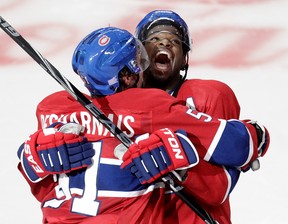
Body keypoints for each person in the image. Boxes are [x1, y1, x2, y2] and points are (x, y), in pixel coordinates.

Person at [17, 27, 269, 224]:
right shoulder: (149, 105)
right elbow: (238, 145)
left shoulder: (53, 109)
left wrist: (30, 155)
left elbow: (43, 185)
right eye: (139, 56)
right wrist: (257, 134)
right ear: (127, 74)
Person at [134, 9, 250, 223]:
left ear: (185, 59)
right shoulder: (120, 102)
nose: (165, 44)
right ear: (139, 55)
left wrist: (178, 165)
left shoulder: (209, 96)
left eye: (174, 41)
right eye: (155, 38)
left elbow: (219, 188)